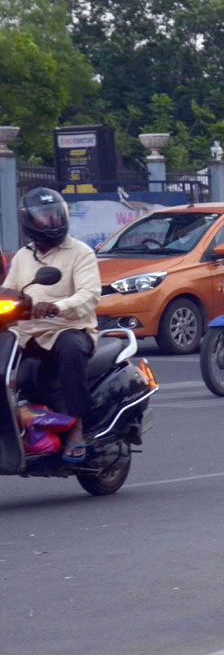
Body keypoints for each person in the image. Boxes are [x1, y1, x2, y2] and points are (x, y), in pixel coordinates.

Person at [0, 188, 101, 463]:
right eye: (45, 218)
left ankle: (77, 427)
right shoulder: (22, 257)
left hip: (68, 329)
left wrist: (58, 306)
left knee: (70, 350)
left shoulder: (81, 253)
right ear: (30, 221)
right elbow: (8, 291)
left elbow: (89, 295)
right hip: (28, 334)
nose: (52, 222)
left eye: (56, 216)